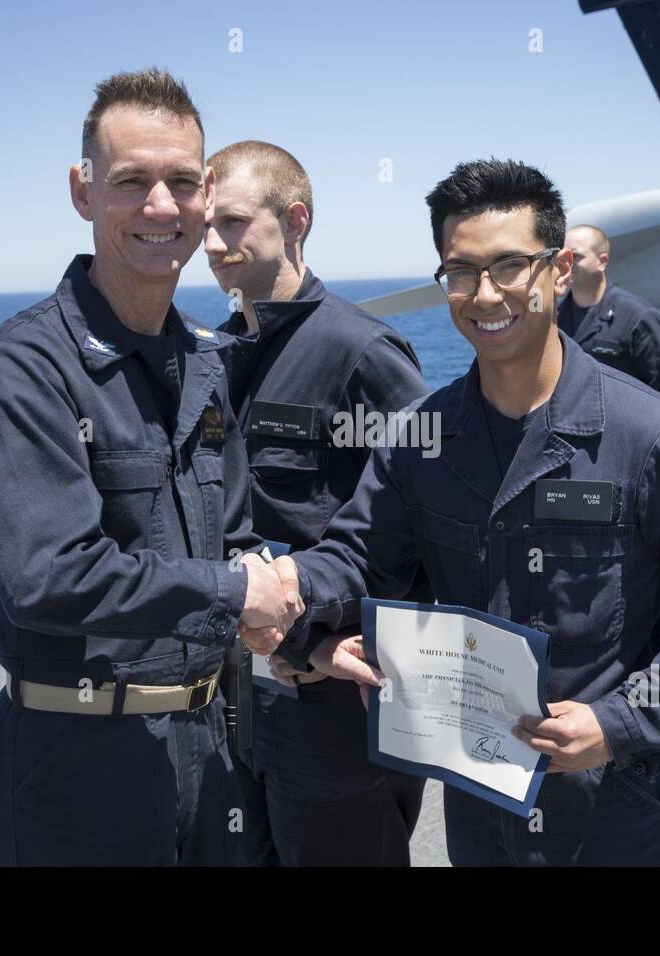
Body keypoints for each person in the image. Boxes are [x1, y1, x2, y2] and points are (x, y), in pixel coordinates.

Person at [258, 159, 660, 866]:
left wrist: (619, 722)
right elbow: (358, 557)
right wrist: (287, 591)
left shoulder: (651, 436)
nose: (484, 294)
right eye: (460, 272)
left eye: (509, 267)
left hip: (610, 807)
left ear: (558, 270)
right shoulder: (421, 440)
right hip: (479, 804)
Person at [0, 69, 301, 865]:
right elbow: (49, 577)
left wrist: (290, 611)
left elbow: (236, 535)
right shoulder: (21, 371)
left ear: (207, 192)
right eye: (131, 181)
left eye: (181, 182)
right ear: (83, 190)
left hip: (212, 750)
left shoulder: (207, 361)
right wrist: (235, 590)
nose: (160, 207)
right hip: (80, 767)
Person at [203, 140, 429, 865]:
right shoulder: (210, 355)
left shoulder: (360, 352)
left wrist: (332, 641)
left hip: (332, 702)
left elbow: (422, 519)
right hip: (231, 695)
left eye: (233, 222)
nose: (212, 243)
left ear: (294, 220)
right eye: (206, 224)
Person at [557, 225, 660, 393]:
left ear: (602, 261)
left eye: (576, 257)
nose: (567, 265)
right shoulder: (553, 317)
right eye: (562, 257)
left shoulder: (637, 316)